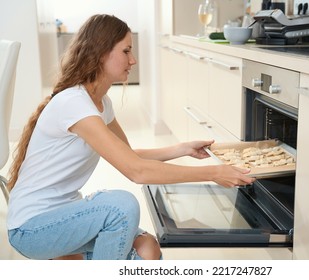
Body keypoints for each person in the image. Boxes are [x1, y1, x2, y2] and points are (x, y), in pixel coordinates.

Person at [6, 14, 255, 260]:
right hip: (32, 228)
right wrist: (213, 174)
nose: (133, 60)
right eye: (126, 51)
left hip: (65, 215)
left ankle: (71, 261)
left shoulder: (101, 103)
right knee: (122, 207)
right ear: (102, 52)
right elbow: (137, 171)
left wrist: (182, 148)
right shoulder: (75, 104)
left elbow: (128, 154)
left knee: (148, 249)